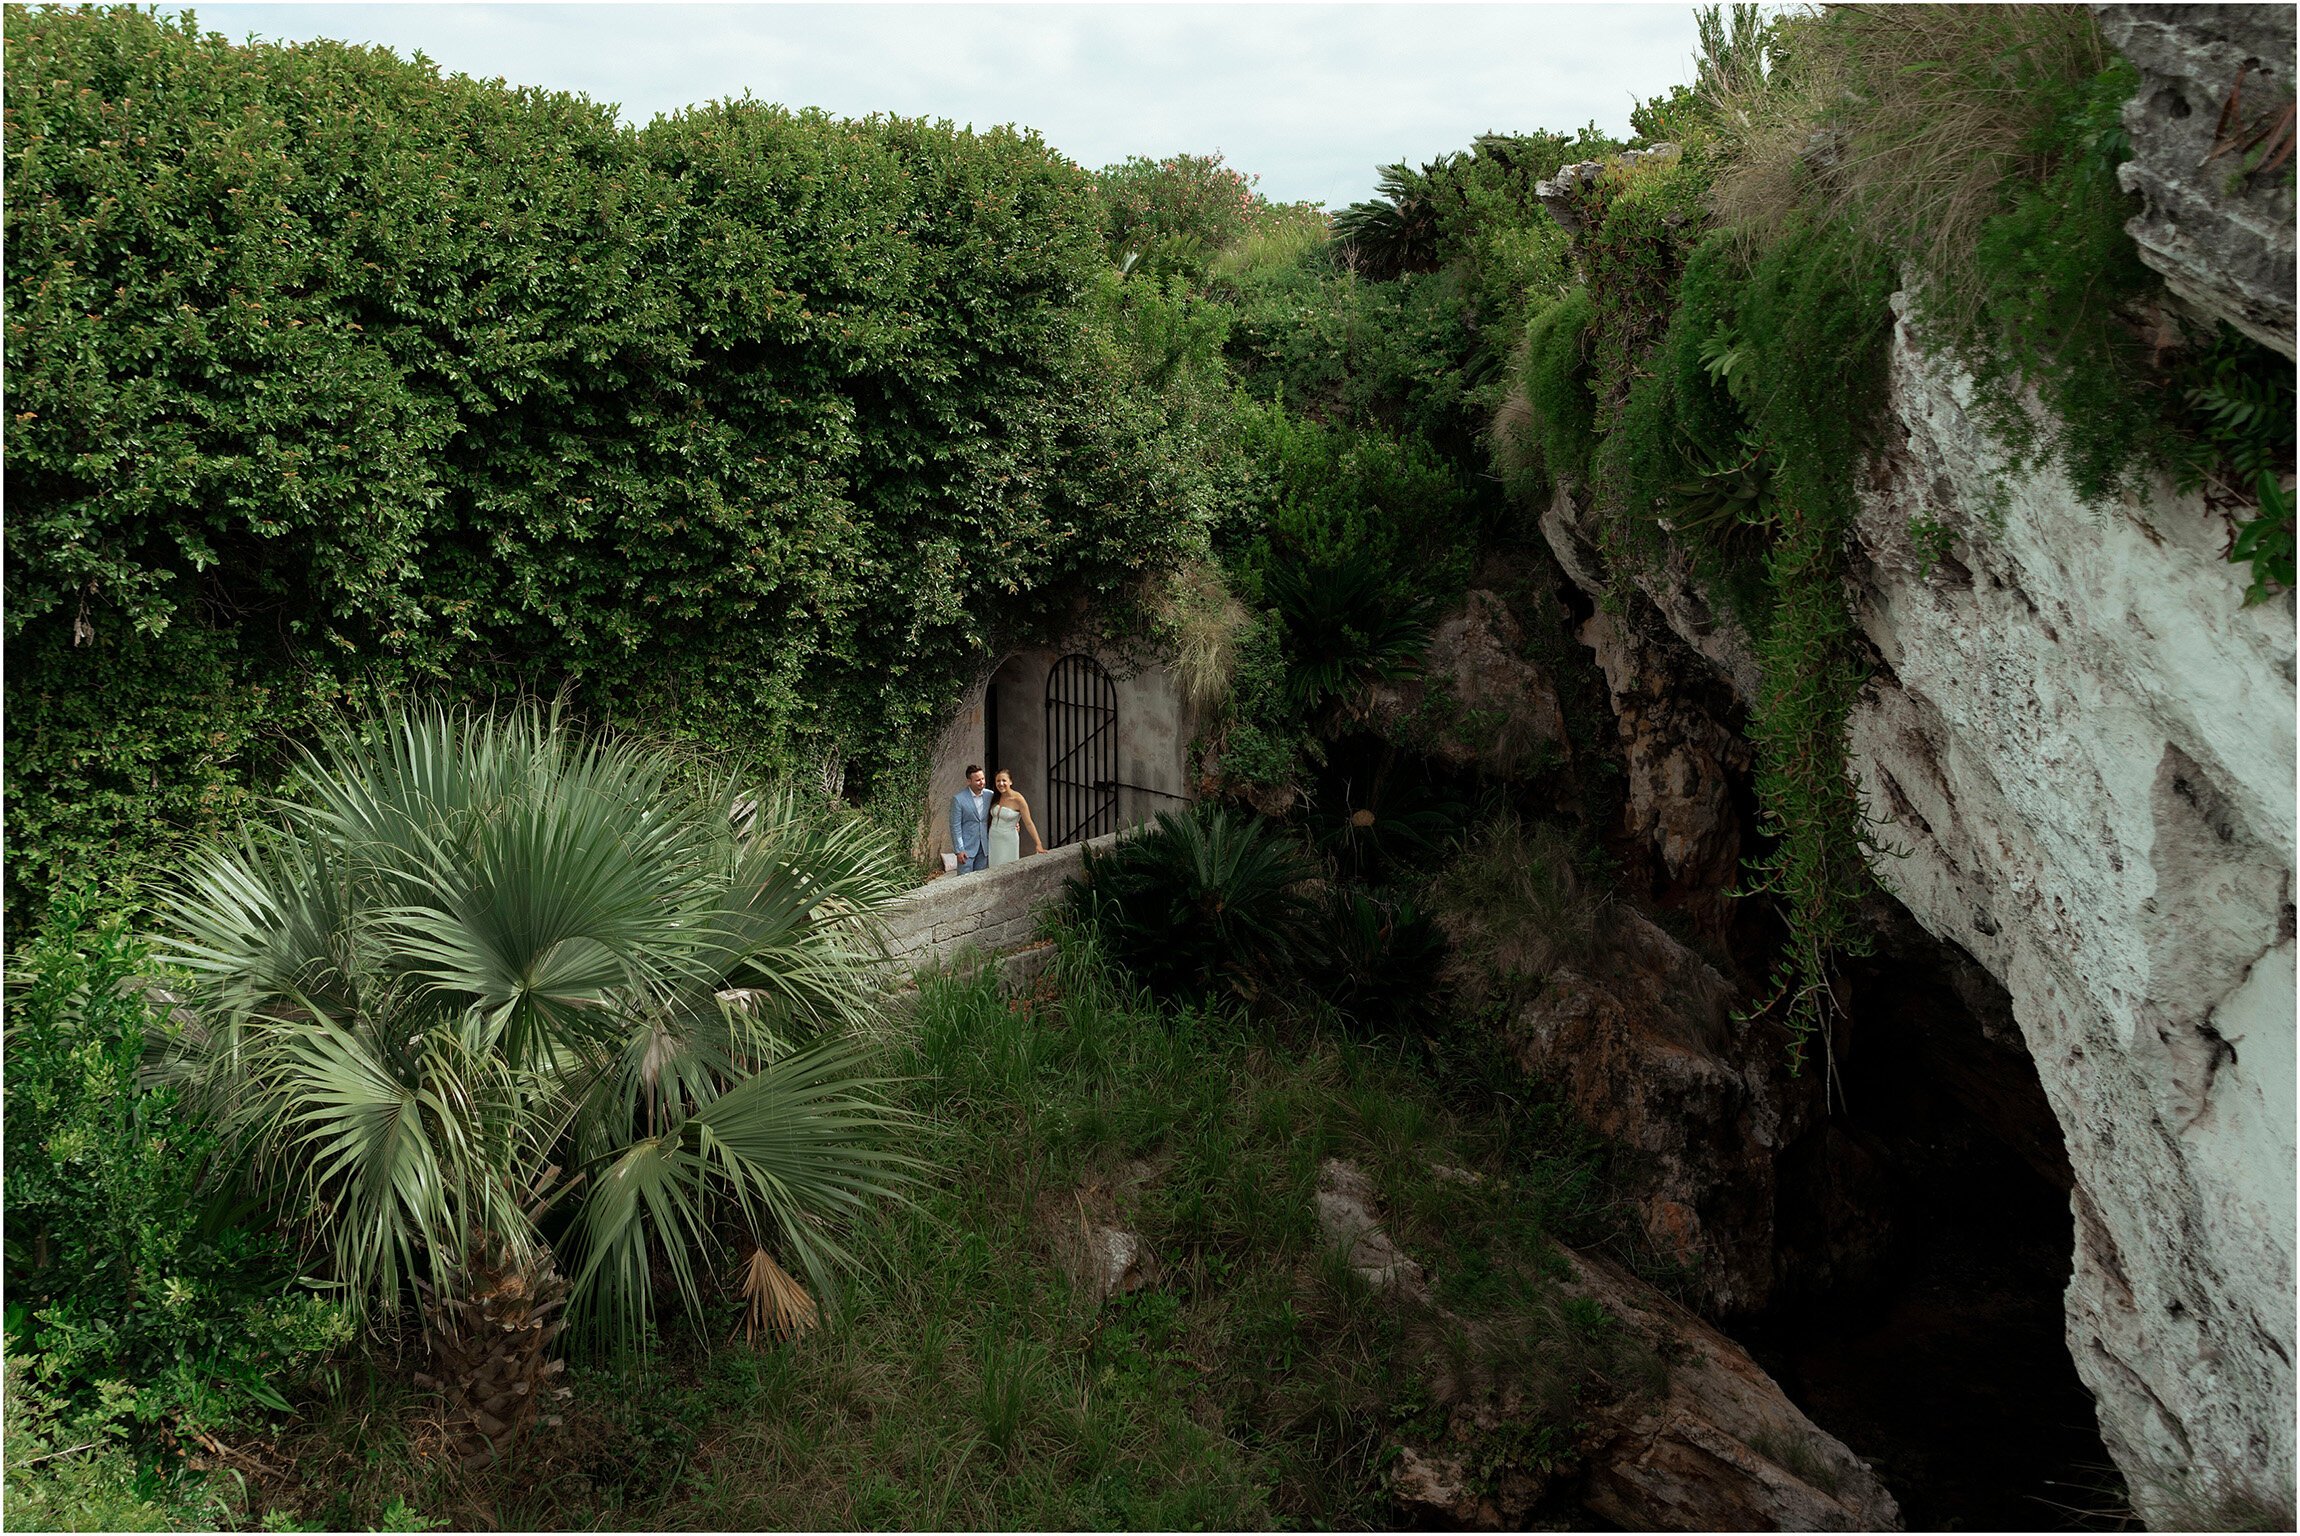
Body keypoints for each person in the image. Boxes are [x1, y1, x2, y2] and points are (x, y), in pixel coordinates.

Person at [986, 769, 1045, 867]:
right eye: (998, 781)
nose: (1001, 783)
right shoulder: (995, 796)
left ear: (1010, 781)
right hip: (993, 838)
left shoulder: (1019, 800)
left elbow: (1029, 823)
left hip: (1008, 839)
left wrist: (1038, 843)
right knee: (993, 868)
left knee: (1008, 868)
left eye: (1004, 780)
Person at [949, 764, 992, 873]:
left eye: (983, 779)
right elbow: (955, 826)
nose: (982, 782)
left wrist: (1014, 823)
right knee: (963, 883)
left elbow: (1000, 810)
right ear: (969, 781)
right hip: (966, 849)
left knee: (981, 881)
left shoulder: (990, 795)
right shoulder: (958, 799)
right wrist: (959, 850)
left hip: (984, 847)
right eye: (977, 780)